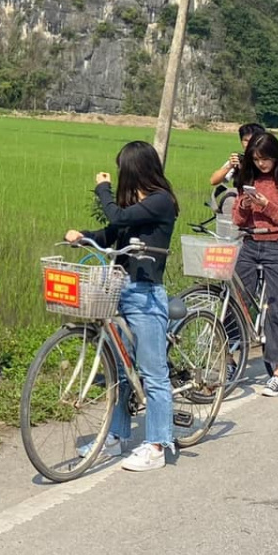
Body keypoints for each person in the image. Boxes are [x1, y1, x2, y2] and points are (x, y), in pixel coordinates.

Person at [65, 139, 180, 471]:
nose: (118, 177)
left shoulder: (161, 202)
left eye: (122, 171)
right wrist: (83, 236)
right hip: (118, 290)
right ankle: (115, 436)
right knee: (118, 371)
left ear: (136, 170)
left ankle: (157, 446)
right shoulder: (135, 206)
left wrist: (103, 189)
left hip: (145, 295)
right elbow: (110, 232)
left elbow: (116, 214)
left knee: (153, 374)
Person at [231, 130, 278, 398]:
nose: (261, 164)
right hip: (251, 243)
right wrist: (243, 203)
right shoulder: (248, 178)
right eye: (256, 158)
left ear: (276, 156)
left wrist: (266, 206)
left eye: (265, 159)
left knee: (277, 308)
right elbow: (239, 220)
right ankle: (231, 360)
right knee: (236, 300)